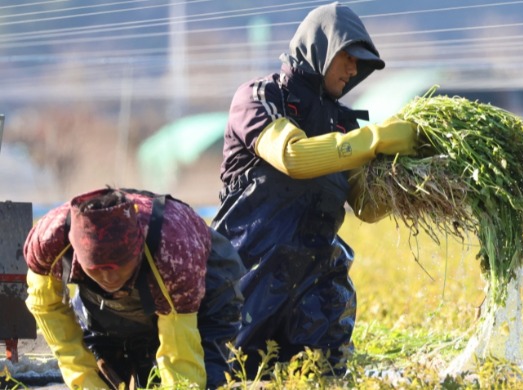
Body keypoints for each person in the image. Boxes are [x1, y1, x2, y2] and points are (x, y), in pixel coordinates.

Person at [210, 2, 417, 377]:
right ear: (320, 49)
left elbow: (366, 206)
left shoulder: (342, 122)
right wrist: (374, 139)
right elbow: (294, 158)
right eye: (347, 56)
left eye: (360, 62)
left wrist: (412, 180)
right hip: (247, 277)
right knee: (233, 374)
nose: (354, 69)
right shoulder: (260, 99)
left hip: (314, 290)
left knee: (324, 376)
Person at [24, 187, 246, 389]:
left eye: (117, 267)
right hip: (111, 307)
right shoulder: (48, 241)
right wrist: (83, 377)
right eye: (98, 269)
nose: (109, 277)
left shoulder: (174, 252)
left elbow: (181, 355)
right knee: (106, 376)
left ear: (136, 250)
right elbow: (46, 307)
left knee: (206, 380)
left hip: (204, 287)